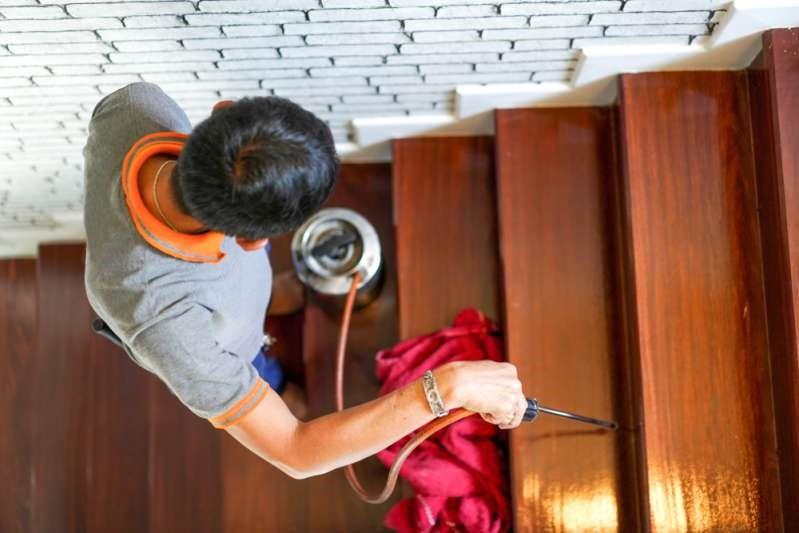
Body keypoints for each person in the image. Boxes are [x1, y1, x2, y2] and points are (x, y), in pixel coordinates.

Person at [83, 82, 527, 479]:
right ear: (251, 240)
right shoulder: (167, 324)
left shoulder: (135, 106)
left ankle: (273, 302)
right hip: (233, 344)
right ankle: (274, 376)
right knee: (276, 389)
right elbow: (296, 450)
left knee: (255, 300)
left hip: (221, 299)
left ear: (224, 112)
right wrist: (447, 388)